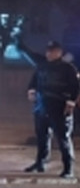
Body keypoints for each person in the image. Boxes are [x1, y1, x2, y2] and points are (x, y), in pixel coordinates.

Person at [20, 39, 79, 179]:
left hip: (60, 106)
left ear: (59, 52)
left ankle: (68, 168)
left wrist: (71, 103)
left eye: (52, 51)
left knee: (63, 138)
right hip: (42, 106)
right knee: (42, 136)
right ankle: (40, 163)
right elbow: (35, 80)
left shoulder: (68, 68)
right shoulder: (42, 66)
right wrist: (31, 90)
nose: (49, 54)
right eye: (48, 51)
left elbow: (75, 87)